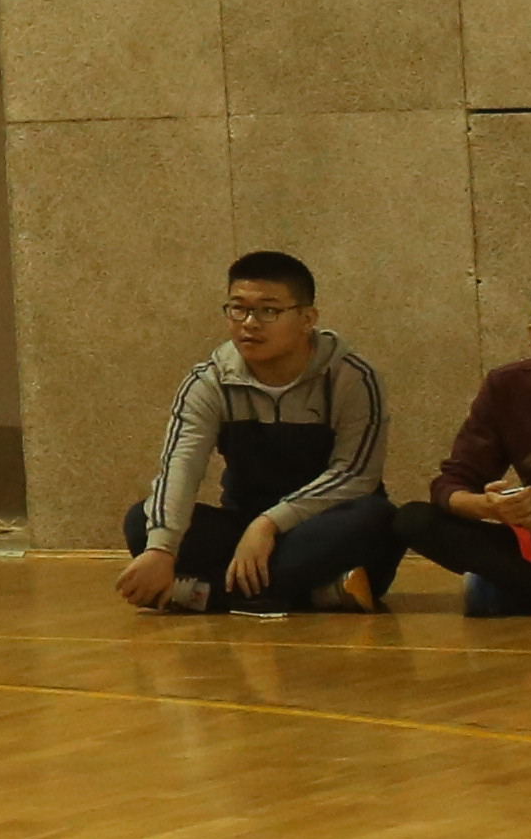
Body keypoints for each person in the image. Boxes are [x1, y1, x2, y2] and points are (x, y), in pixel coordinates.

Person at [116, 253, 401, 616]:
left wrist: (268, 524)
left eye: (268, 311)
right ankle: (317, 593)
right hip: (242, 529)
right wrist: (162, 548)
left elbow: (355, 475)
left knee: (376, 517)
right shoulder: (209, 381)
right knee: (142, 522)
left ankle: (206, 596)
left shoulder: (352, 377)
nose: (250, 324)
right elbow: (179, 468)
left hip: (321, 524)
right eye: (239, 309)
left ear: (307, 319)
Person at [401, 272, 531, 617]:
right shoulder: (507, 387)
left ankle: (516, 587)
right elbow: (452, 482)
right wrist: (492, 507)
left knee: (486, 596)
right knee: (413, 520)